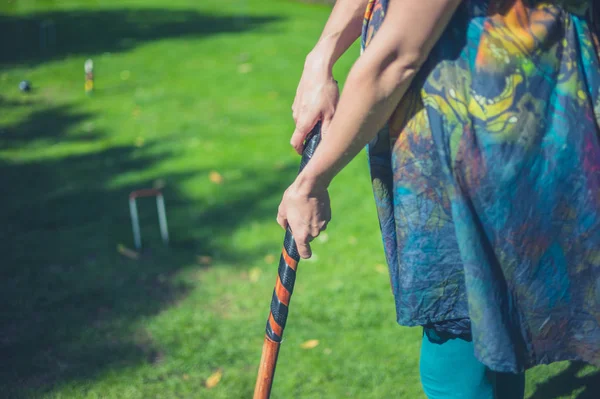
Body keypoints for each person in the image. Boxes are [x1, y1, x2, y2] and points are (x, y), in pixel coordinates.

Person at [276, 0, 600, 398]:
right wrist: (321, 57)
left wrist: (313, 180)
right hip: (463, 131)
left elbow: (398, 55)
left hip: (492, 132)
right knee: (484, 320)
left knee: (461, 325)